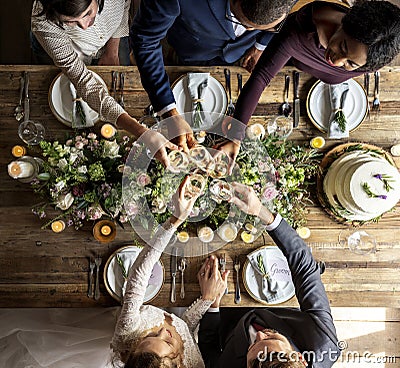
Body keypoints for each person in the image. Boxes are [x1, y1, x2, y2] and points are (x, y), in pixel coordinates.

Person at [217, 0, 400, 164]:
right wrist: (236, 137)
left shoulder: (371, 58)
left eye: (350, 63)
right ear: (346, 22)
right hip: (289, 61)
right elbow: (262, 76)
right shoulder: (299, 31)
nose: (336, 62)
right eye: (342, 46)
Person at [198, 182, 340, 368]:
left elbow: (209, 352)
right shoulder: (323, 343)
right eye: (271, 338)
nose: (259, 334)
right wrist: (261, 212)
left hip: (226, 318)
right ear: (300, 358)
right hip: (281, 308)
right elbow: (305, 268)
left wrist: (211, 304)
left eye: (253, 346)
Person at [130, 0, 298, 152]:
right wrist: (168, 111)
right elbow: (145, 42)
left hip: (239, 54)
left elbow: (280, 16)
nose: (248, 31)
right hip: (189, 48)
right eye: (241, 22)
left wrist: (259, 45)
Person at [31, 0, 176, 167]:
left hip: (112, 34)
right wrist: (141, 131)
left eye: (87, 14)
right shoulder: (42, 21)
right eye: (69, 22)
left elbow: (125, 5)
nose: (84, 26)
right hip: (65, 47)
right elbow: (85, 83)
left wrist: (112, 49)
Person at [111, 176, 229, 368]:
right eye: (167, 342)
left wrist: (175, 220)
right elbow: (184, 330)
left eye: (149, 336)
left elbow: (138, 276)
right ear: (179, 363)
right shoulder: (195, 365)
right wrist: (208, 299)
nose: (163, 332)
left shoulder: (128, 331)